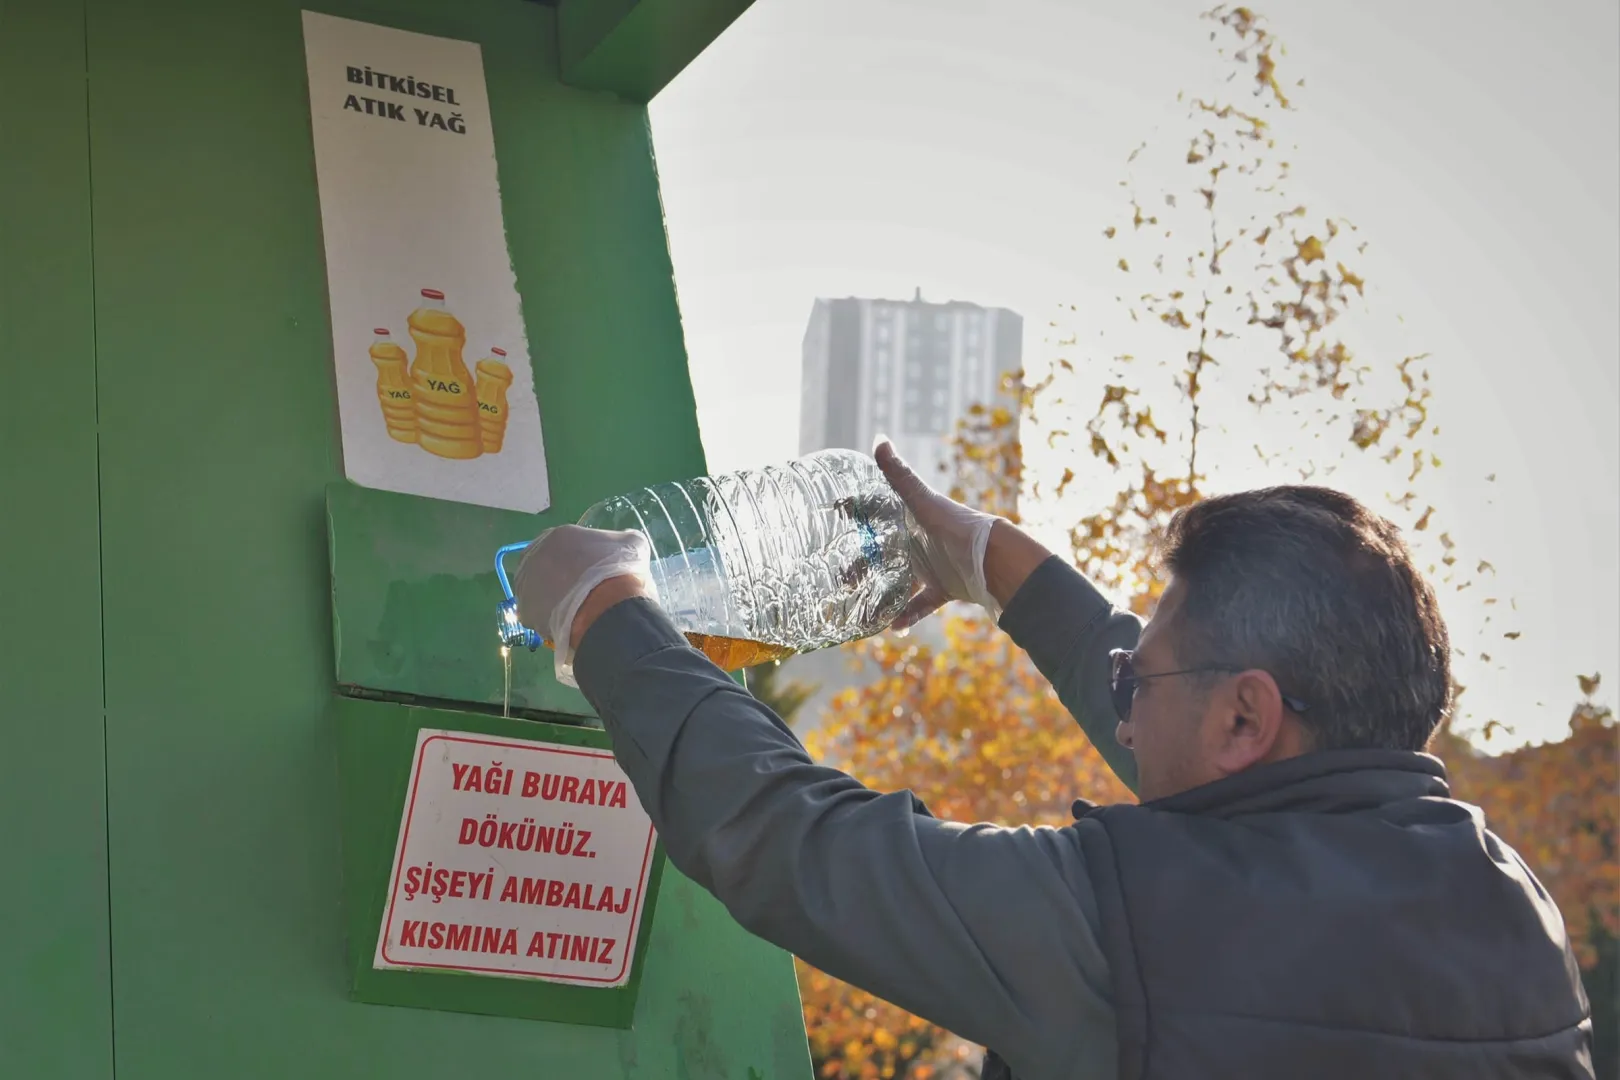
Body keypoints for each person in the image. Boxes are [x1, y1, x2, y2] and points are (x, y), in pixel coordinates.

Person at [513, 440, 1593, 1080]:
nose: (1122, 722)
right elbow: (1219, 772)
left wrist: (604, 614)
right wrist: (997, 569)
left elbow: (796, 841)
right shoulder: (1505, 907)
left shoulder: (1134, 937)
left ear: (1243, 721)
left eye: (1139, 687)